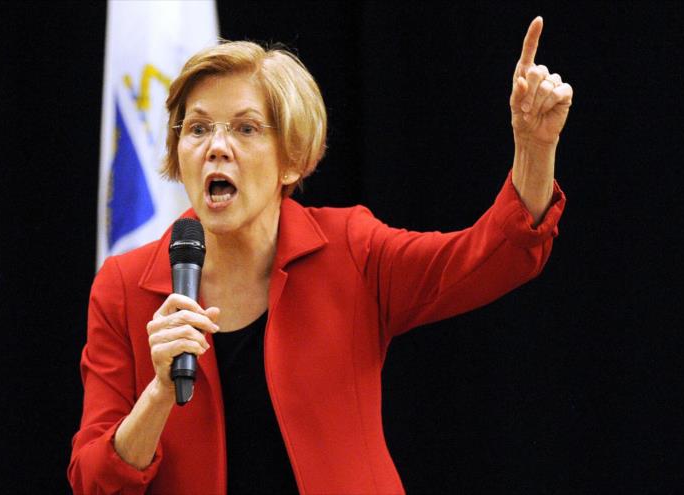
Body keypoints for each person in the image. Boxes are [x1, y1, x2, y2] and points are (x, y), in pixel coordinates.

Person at [69, 16, 571, 495]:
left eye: (245, 129)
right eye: (197, 129)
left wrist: (533, 149)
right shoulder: (125, 287)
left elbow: (490, 258)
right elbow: (93, 482)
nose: (216, 148)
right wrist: (157, 395)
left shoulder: (350, 249)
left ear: (291, 159)